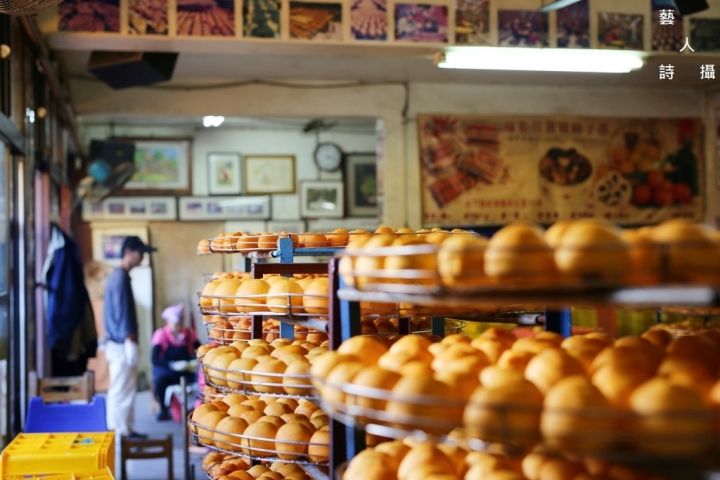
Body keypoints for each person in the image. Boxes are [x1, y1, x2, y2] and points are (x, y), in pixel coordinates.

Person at [103, 236, 156, 441]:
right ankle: (120, 432)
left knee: (124, 389)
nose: (142, 257)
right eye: (140, 252)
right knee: (121, 391)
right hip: (120, 344)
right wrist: (129, 340)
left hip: (118, 342)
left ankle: (125, 429)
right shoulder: (120, 278)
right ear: (128, 252)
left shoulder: (119, 276)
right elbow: (122, 312)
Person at [151, 303, 199, 421]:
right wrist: (171, 365)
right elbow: (154, 359)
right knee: (160, 381)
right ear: (168, 322)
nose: (178, 327)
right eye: (175, 324)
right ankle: (163, 409)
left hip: (186, 371)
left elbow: (199, 349)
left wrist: (193, 363)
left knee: (200, 378)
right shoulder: (161, 335)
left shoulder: (189, 334)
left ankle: (197, 408)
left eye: (180, 323)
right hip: (168, 372)